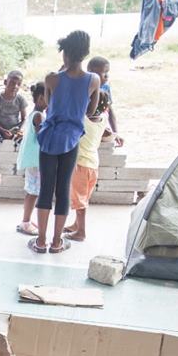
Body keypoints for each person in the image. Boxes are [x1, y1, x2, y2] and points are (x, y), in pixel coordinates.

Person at [30, 30, 99, 255]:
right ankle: (57, 242)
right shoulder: (93, 80)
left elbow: (49, 105)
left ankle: (40, 242)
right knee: (63, 190)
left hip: (49, 138)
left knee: (45, 188)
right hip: (71, 140)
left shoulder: (52, 78)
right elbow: (91, 110)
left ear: (65, 53)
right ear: (86, 53)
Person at [64, 91, 111, 243]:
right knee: (84, 198)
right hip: (93, 164)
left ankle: (81, 232)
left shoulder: (81, 121)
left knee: (79, 201)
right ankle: (76, 225)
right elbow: (106, 133)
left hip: (80, 165)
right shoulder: (104, 118)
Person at [14, 81, 46, 237]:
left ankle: (26, 220)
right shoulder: (39, 116)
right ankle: (25, 222)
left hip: (34, 160)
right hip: (36, 161)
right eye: (50, 97)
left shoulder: (35, 113)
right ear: (41, 98)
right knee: (34, 192)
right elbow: (43, 137)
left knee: (32, 191)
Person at [0, 70, 26, 171]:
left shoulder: (20, 99)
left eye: (18, 84)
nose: (15, 86)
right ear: (5, 82)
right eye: (12, 83)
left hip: (15, 129)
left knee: (27, 142)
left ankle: (22, 167)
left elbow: (24, 119)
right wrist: (3, 131)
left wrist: (19, 130)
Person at [87, 56, 123, 147]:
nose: (107, 76)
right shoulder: (85, 87)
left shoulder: (105, 87)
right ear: (91, 72)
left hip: (100, 125)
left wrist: (115, 133)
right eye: (104, 72)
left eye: (107, 72)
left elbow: (110, 110)